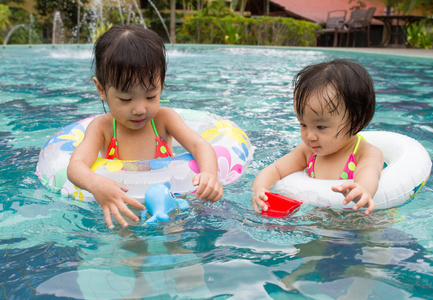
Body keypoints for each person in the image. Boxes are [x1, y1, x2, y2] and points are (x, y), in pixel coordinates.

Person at [67, 25, 223, 229]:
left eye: (151, 96)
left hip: (170, 203)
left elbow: (199, 145)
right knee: (130, 248)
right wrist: (96, 184)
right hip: (125, 207)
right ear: (101, 89)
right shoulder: (102, 128)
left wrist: (210, 174)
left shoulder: (164, 119)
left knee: (175, 238)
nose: (140, 109)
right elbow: (75, 166)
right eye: (125, 99)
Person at [251, 59, 383, 215]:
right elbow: (275, 169)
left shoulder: (364, 153)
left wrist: (363, 189)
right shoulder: (307, 152)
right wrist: (260, 190)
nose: (310, 136)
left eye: (321, 127)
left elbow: (370, 173)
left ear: (354, 121)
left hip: (360, 219)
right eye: (303, 125)